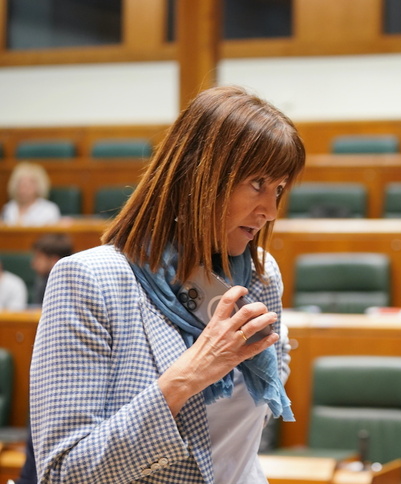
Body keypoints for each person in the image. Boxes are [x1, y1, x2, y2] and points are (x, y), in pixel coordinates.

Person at [29, 85, 305, 483]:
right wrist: (188, 376)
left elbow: (241, 437)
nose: (270, 210)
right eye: (258, 182)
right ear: (199, 175)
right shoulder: (90, 280)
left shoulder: (262, 275)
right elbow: (64, 473)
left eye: (279, 189)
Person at [2, 162, 61, 226]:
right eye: (20, 184)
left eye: (28, 185)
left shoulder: (49, 210)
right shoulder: (9, 208)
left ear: (39, 186)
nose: (23, 189)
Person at [30, 233, 74, 306]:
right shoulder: (42, 281)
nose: (33, 263)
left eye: (38, 257)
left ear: (54, 260)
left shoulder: (65, 287)